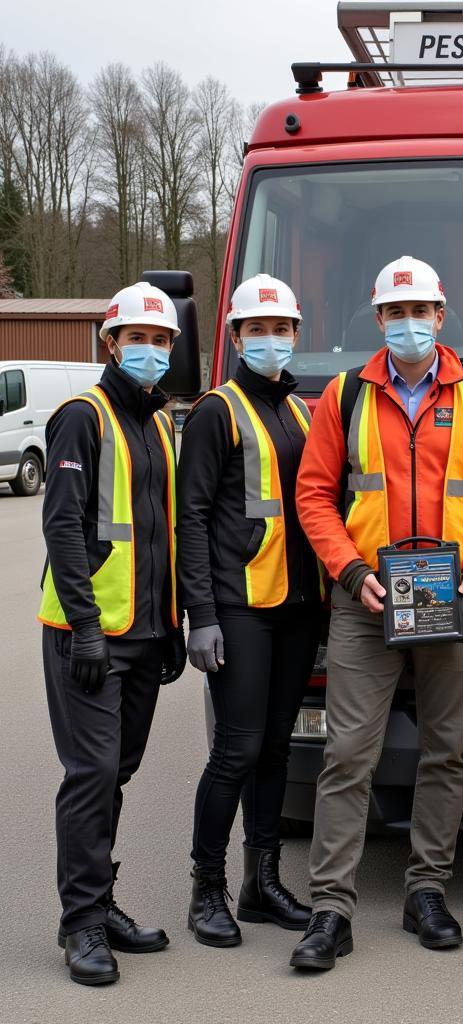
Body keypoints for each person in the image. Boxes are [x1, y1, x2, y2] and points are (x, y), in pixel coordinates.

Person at [288, 256, 463, 970]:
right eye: (396, 312)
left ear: (440, 316)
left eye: (420, 311)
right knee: (347, 754)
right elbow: (314, 498)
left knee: (447, 750)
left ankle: (427, 890)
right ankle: (331, 909)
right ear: (379, 318)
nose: (409, 323)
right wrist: (352, 570)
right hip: (366, 601)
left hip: (452, 597)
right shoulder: (343, 397)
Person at [38, 282, 186, 986]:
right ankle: (81, 925)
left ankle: (102, 900)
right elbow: (63, 528)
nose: (151, 351)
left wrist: (173, 623)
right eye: (139, 339)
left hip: (145, 632)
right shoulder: (81, 417)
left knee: (116, 772)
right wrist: (88, 627)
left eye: (161, 341)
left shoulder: (159, 424)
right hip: (89, 634)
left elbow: (164, 532)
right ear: (110, 343)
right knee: (91, 773)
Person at [177, 275, 320, 947]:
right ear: (235, 336)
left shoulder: (297, 412)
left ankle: (262, 883)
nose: (272, 338)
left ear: (297, 335)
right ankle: (207, 890)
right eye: (258, 328)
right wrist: (199, 614)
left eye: (283, 328)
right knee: (235, 749)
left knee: (276, 748)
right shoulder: (216, 411)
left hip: (296, 607)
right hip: (239, 608)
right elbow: (193, 517)